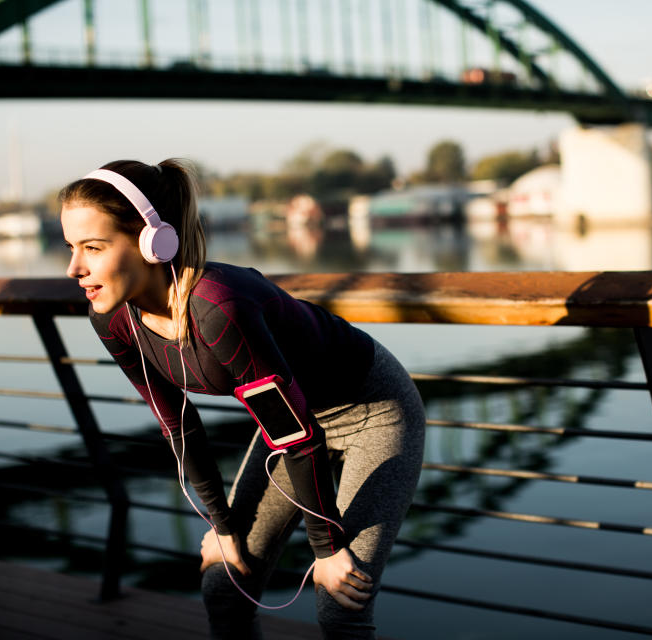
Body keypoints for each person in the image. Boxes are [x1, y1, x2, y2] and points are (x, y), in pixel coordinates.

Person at [59, 158, 426, 639]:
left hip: (374, 412)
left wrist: (327, 548)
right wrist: (223, 525)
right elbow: (179, 426)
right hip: (299, 423)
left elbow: (295, 436)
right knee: (224, 585)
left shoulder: (217, 309)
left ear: (153, 241)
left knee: (341, 601)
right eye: (71, 247)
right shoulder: (113, 320)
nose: (74, 268)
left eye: (93, 247)